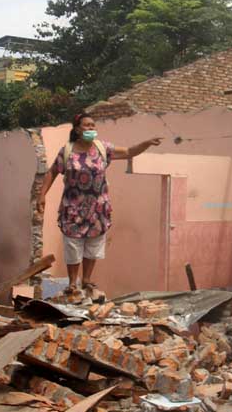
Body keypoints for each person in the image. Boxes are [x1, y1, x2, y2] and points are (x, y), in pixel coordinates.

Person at [36, 112, 161, 301]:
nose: (91, 128)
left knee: (93, 245)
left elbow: (128, 152)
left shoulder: (103, 148)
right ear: (77, 129)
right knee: (73, 245)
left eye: (93, 125)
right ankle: (72, 283)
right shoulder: (67, 150)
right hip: (73, 208)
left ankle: (86, 280)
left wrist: (146, 143)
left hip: (98, 209)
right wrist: (42, 195)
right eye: (87, 125)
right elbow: (52, 171)